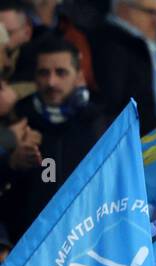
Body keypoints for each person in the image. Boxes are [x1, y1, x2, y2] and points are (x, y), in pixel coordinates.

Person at [3, 35, 106, 239]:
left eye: (61, 73)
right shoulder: (18, 119)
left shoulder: (97, 123)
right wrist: (12, 163)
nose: (51, 82)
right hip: (26, 243)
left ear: (78, 75)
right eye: (43, 73)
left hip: (85, 239)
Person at [92, 0, 156, 132]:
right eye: (151, 13)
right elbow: (116, 108)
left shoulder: (146, 48)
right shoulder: (111, 48)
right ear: (124, 9)